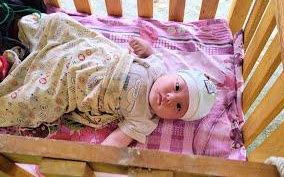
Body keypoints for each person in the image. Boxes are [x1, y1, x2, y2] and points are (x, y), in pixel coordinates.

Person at [0, 13, 217, 147]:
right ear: (173, 74)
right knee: (60, 23)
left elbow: (117, 140)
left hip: (72, 86)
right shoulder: (158, 67)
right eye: (177, 87)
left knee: (39, 102)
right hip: (88, 54)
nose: (170, 98)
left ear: (175, 119)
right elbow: (151, 52)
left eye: (179, 106)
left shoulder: (144, 121)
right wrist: (144, 47)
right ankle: (16, 26)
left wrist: (98, 159)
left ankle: (15, 72)